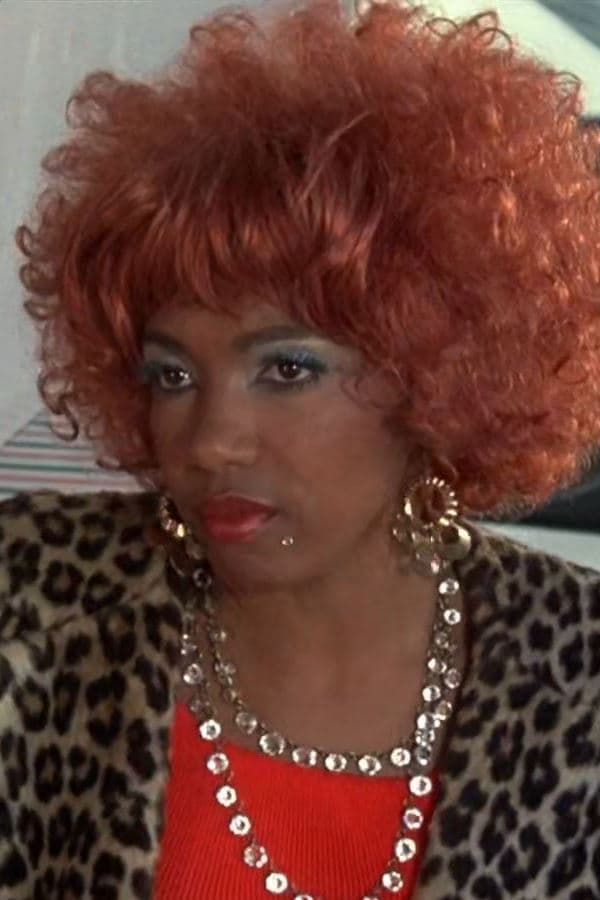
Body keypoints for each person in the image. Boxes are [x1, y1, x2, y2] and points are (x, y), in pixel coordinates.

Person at [1, 0, 600, 897]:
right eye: (172, 376)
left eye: (287, 368)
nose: (212, 441)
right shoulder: (32, 606)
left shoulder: (581, 668)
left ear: (436, 371)